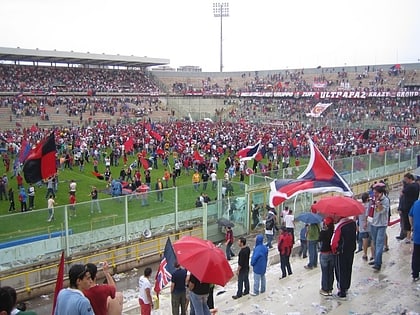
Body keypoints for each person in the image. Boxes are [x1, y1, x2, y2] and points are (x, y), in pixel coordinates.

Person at [331, 216, 357, 299]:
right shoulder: (352, 223)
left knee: (340, 270)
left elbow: (334, 242)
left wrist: (335, 250)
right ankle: (346, 286)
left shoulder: (340, 226)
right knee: (348, 268)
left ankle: (342, 290)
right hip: (351, 250)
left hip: (341, 252)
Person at [369, 185, 390, 271]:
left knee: (379, 243)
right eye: (374, 193)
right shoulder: (373, 199)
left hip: (381, 224)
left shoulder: (385, 200)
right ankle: (376, 259)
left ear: (381, 193)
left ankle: (378, 263)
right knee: (374, 241)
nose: (374, 194)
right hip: (373, 223)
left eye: (376, 193)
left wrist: (379, 205)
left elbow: (383, 211)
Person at [398, 173, 419, 244]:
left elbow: (401, 194)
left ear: (410, 179)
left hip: (407, 206)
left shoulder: (409, 187)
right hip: (414, 205)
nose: (405, 181)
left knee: (407, 222)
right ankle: (410, 236)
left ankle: (408, 237)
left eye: (406, 179)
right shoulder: (417, 185)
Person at [318, 217, 335, 296]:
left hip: (324, 253)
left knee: (324, 272)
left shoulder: (323, 232)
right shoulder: (334, 232)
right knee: (330, 271)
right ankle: (330, 288)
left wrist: (322, 229)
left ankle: (325, 289)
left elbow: (319, 239)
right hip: (332, 253)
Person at [409, 199, 420, 281]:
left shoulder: (416, 203)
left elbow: (410, 216)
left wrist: (412, 226)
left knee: (416, 254)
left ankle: (415, 274)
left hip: (417, 234)